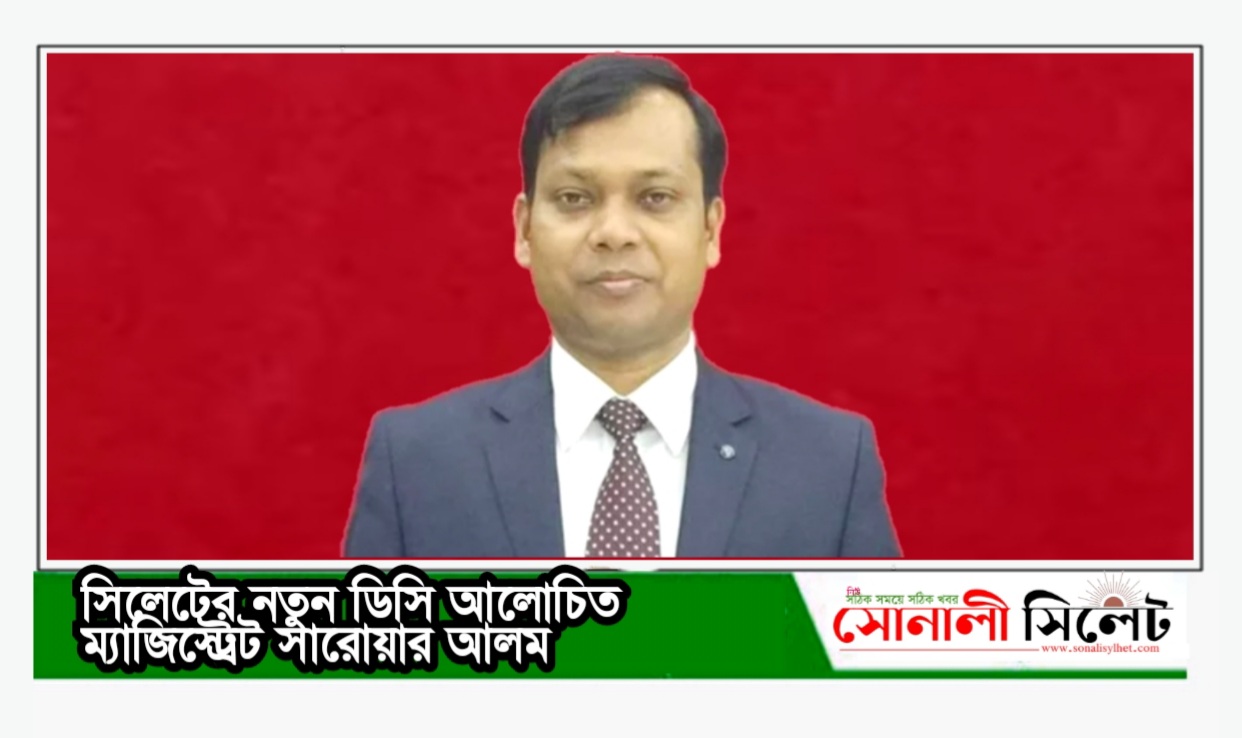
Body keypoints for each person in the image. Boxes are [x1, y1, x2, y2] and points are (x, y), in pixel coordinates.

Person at [343, 53, 901, 559]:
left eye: (655, 198)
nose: (614, 232)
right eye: (574, 198)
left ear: (710, 230)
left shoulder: (828, 464)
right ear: (524, 229)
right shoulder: (417, 462)